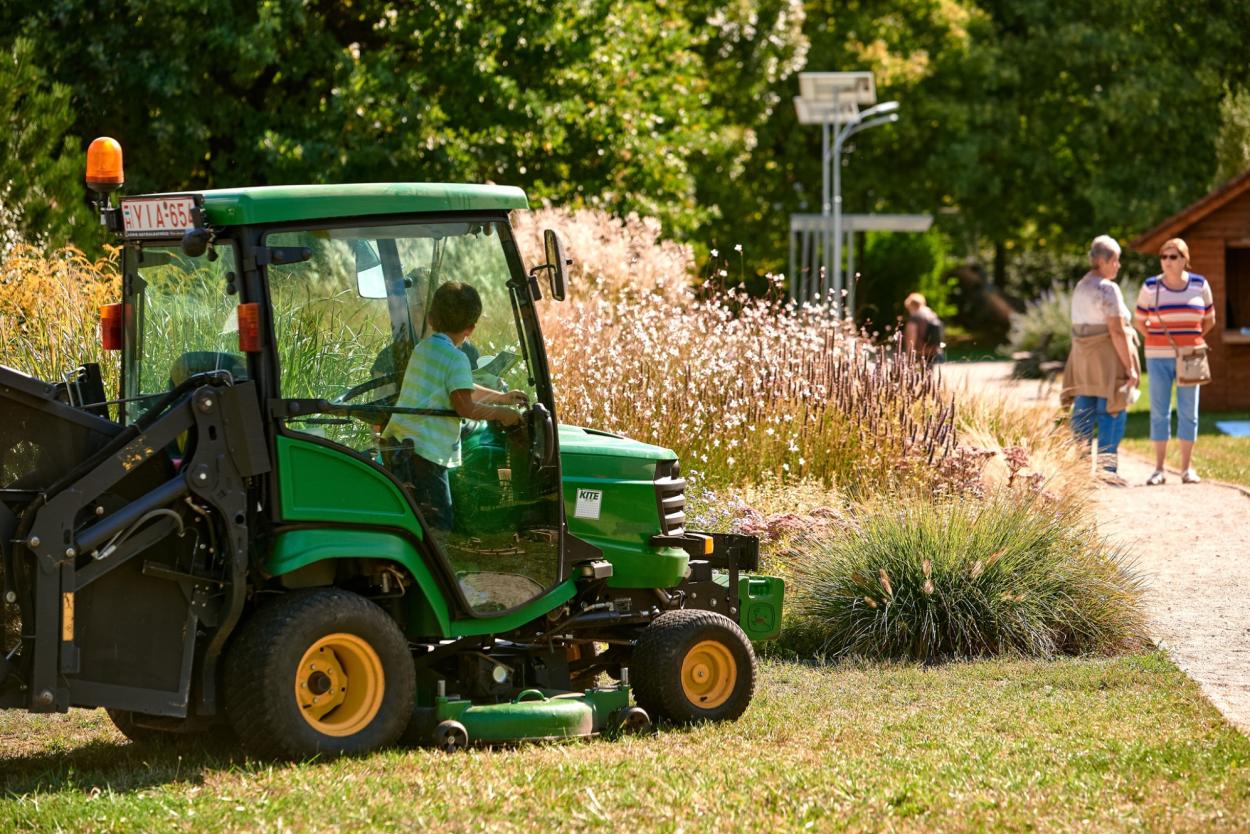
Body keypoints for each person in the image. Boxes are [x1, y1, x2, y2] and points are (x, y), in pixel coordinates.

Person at [383, 281, 527, 531]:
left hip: (400, 444)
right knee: (439, 522)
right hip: (426, 454)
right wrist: (503, 414)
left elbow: (461, 389)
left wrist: (502, 398)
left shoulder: (423, 349)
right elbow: (465, 407)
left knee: (414, 519)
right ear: (470, 328)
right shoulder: (456, 358)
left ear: (430, 319)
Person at [1133, 237, 1215, 485]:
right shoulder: (1150, 286)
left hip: (1191, 357)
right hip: (1157, 357)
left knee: (1189, 411)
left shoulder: (1200, 284)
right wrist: (1158, 340)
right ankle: (1158, 470)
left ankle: (1186, 469)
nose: (1167, 261)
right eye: (1163, 257)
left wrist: (1190, 341)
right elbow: (1139, 321)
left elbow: (1209, 319)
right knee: (1159, 412)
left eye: (1173, 256)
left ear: (1184, 260)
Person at [1061, 235, 1139, 476]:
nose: (1118, 265)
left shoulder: (1081, 286)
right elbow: (1116, 331)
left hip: (1084, 359)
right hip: (1107, 359)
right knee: (1112, 411)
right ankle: (1107, 471)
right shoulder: (1107, 288)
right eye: (1115, 260)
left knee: (1083, 409)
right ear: (1103, 261)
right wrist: (1131, 368)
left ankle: (1081, 473)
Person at [902, 292, 945, 362]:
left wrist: (909, 356)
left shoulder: (915, 317)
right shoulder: (932, 314)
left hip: (920, 351)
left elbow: (911, 338)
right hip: (934, 351)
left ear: (911, 305)